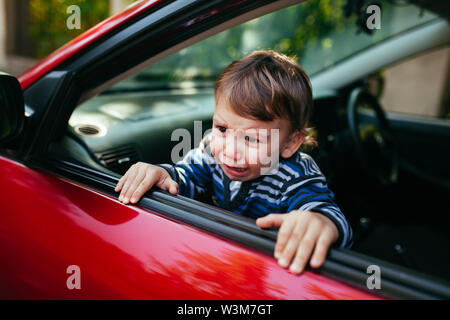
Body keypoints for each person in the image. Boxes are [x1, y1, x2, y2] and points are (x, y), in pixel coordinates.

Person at [115, 50, 352, 274]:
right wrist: (164, 174)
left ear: (290, 143)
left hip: (268, 268)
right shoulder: (211, 149)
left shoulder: (296, 175)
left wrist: (319, 222)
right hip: (219, 258)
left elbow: (328, 214)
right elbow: (188, 177)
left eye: (251, 138)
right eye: (222, 128)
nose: (230, 151)